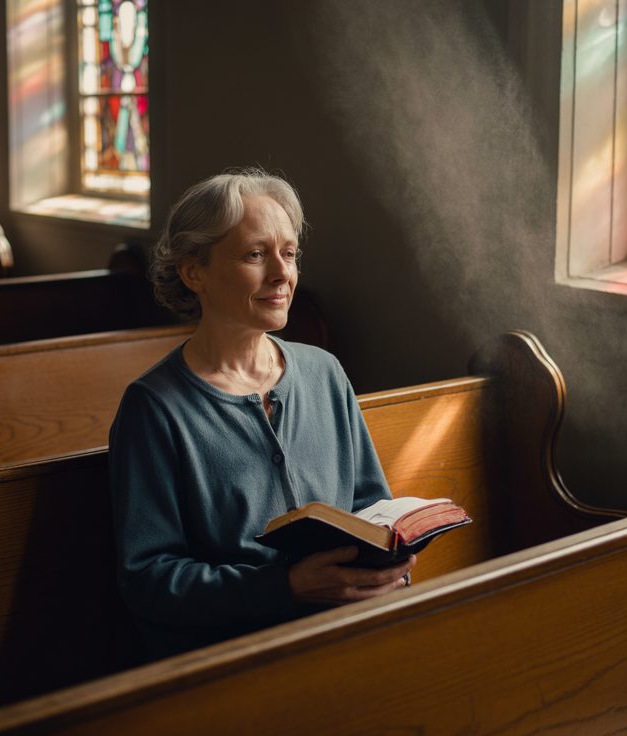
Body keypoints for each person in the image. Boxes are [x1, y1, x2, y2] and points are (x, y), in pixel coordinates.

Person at [108, 168, 415, 658]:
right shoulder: (155, 408)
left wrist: (388, 566)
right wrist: (285, 587)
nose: (282, 274)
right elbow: (149, 578)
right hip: (236, 658)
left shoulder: (324, 372)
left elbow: (371, 506)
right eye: (255, 255)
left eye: (289, 254)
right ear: (194, 272)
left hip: (347, 631)